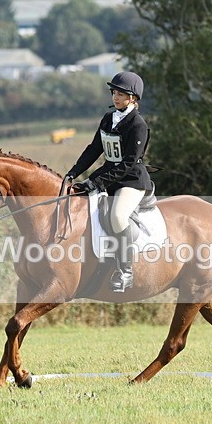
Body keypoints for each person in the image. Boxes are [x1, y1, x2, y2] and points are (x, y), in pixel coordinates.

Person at [65, 71, 152, 292]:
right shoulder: (108, 118)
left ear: (133, 98)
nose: (115, 97)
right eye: (114, 92)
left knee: (117, 216)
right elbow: (94, 149)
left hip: (131, 181)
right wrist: (74, 173)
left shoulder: (138, 124)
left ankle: (125, 271)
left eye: (121, 94)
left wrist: (98, 183)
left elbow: (129, 163)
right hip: (109, 175)